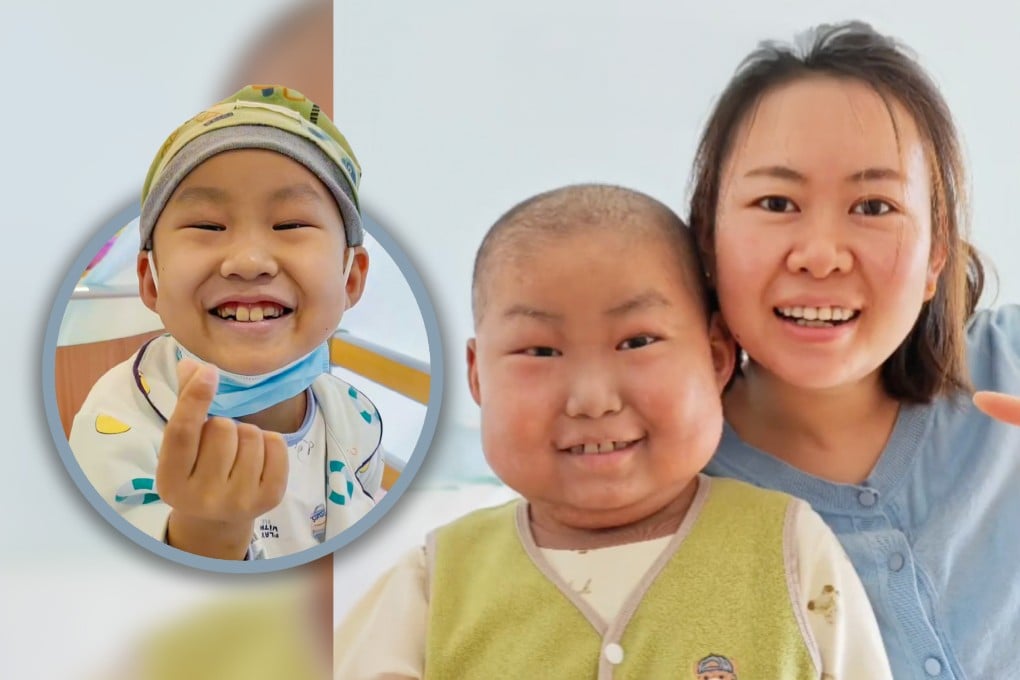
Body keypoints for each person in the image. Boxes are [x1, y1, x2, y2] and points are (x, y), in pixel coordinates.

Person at [334, 184, 892, 679]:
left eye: (637, 342)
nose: (593, 399)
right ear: (479, 376)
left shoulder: (792, 550)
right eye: (540, 351)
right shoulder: (433, 583)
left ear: (717, 355)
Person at [689, 21, 1020, 678]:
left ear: (936, 253)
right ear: (708, 240)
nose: (820, 255)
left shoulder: (1008, 366)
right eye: (776, 201)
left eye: (873, 206)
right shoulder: (666, 496)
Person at [70, 85, 383, 561]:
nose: (249, 260)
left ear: (351, 278)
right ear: (150, 282)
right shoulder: (114, 426)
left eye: (291, 225)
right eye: (208, 227)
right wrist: (204, 536)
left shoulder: (357, 419)